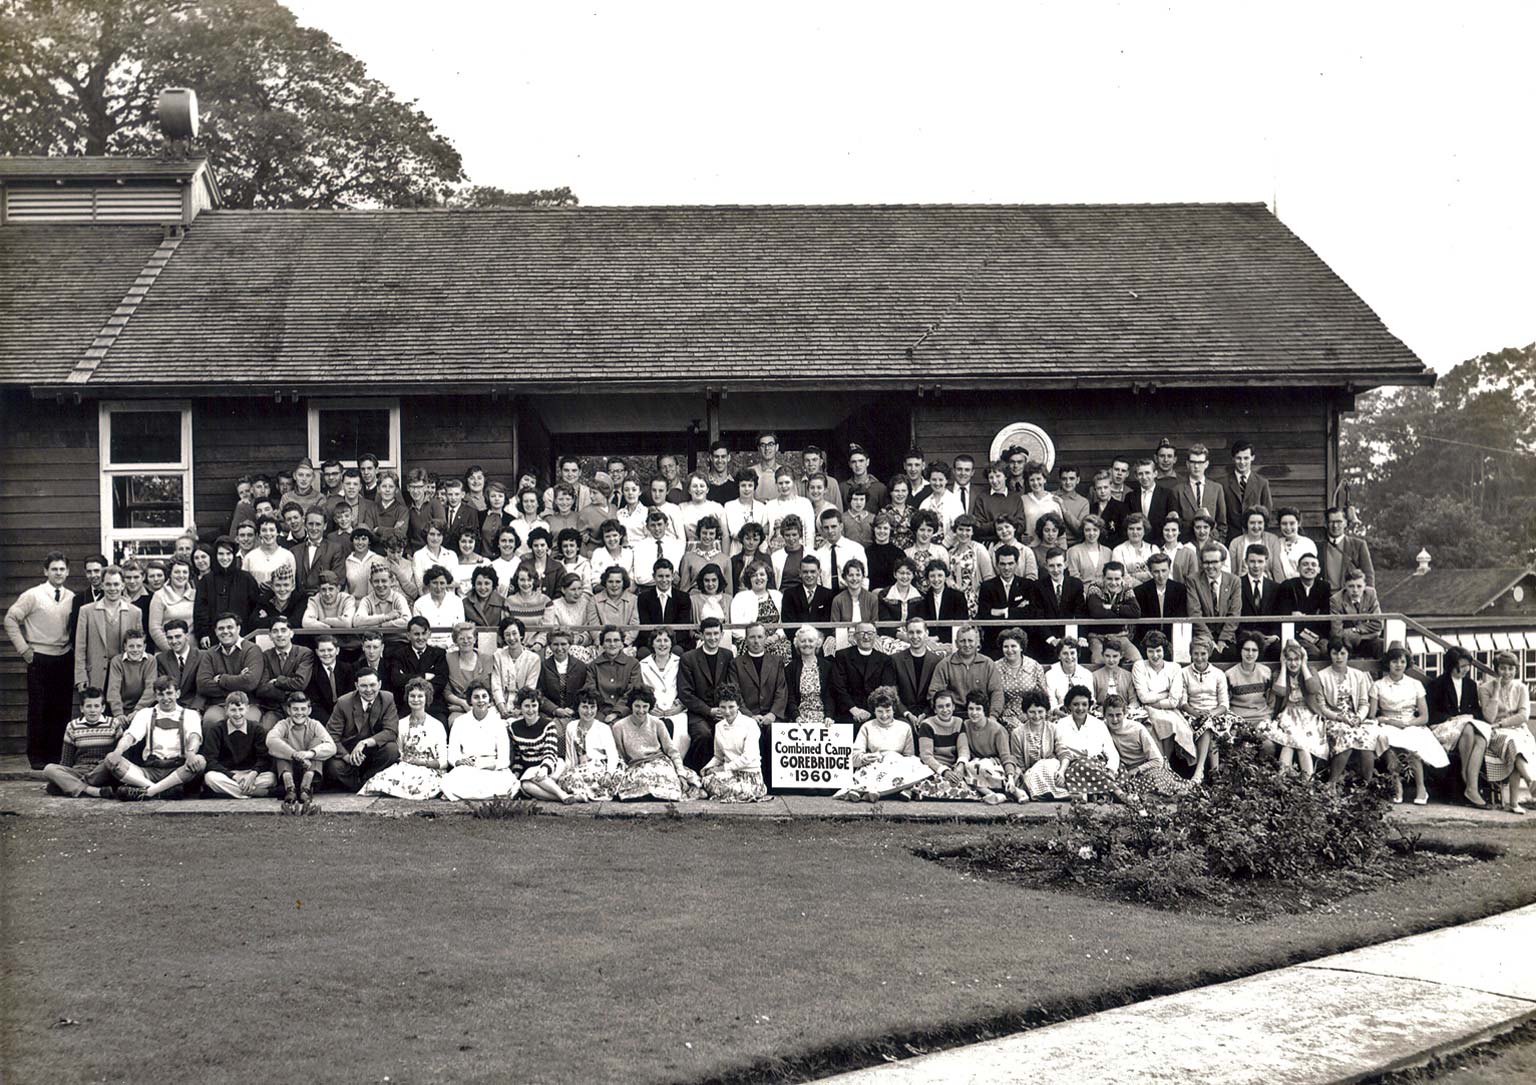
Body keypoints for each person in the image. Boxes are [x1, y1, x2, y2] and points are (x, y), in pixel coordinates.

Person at [6, 551, 76, 768]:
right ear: (46, 571)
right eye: (54, 569)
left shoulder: (72, 597)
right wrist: (24, 650)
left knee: (61, 708)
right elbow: (10, 619)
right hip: (39, 659)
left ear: (68, 572)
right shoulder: (33, 595)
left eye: (62, 569)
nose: (58, 573)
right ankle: (37, 758)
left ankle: (57, 756)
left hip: (64, 658)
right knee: (39, 709)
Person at [101, 675, 205, 801]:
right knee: (110, 760)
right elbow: (130, 736)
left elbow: (194, 736)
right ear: (155, 696)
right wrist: (118, 751)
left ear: (177, 694)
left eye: (169, 693)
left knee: (200, 761)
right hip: (149, 772)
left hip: (178, 770)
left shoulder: (190, 714)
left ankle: (149, 791)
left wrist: (191, 753)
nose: (165, 698)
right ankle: (160, 790)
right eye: (161, 694)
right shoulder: (145, 713)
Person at [1371, 646, 1445, 804]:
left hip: (1410, 722)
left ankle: (1421, 788)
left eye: (1402, 661)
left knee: (1413, 742)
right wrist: (1388, 721)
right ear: (1388, 663)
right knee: (1386, 740)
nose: (1398, 665)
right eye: (1394, 661)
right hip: (1388, 722)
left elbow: (1424, 717)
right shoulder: (1378, 685)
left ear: (1407, 664)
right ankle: (1397, 785)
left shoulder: (1415, 684)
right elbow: (1372, 715)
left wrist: (1408, 723)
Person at [1426, 647, 1493, 808]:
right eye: (1462, 666)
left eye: (1467, 666)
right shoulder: (1438, 684)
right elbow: (1431, 713)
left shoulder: (1470, 684)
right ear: (1450, 665)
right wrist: (1451, 718)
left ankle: (1472, 787)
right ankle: (1465, 774)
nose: (1466, 670)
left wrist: (1468, 716)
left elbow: (1475, 709)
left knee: (1481, 739)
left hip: (1464, 728)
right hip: (1442, 727)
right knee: (1469, 728)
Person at [837, 687, 928, 802]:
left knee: (915, 764)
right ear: (874, 711)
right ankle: (876, 792)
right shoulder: (867, 727)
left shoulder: (905, 727)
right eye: (880, 711)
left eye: (888, 711)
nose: (884, 715)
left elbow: (909, 757)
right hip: (874, 767)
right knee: (868, 771)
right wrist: (866, 757)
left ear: (894, 709)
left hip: (896, 769)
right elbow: (854, 758)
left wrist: (893, 759)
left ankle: (867, 793)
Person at [1316, 638, 1385, 789]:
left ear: (1348, 655)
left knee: (1367, 738)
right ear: (1330, 655)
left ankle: (1366, 786)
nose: (1339, 657)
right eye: (1335, 653)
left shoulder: (1358, 675)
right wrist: (1339, 717)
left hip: (1355, 717)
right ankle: (1332, 783)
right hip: (1333, 717)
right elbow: (1321, 706)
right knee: (1345, 736)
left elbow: (1364, 702)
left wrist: (1359, 717)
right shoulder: (1322, 676)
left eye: (1342, 653)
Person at [323, 667, 400, 792]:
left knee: (392, 750)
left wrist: (364, 742)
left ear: (379, 684)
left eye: (372, 685)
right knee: (333, 766)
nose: (369, 690)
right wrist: (347, 757)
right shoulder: (343, 702)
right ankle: (358, 785)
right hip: (349, 752)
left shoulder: (387, 698)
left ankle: (367, 780)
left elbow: (391, 731)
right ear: (356, 686)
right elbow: (331, 736)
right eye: (363, 686)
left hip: (374, 751)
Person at [438, 682, 518, 801]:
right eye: (476, 697)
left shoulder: (498, 723)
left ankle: (469, 794)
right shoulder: (460, 722)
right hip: (468, 767)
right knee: (452, 781)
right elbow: (453, 754)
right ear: (470, 700)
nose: (481, 700)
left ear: (490, 700)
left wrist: (492, 765)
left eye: (484, 696)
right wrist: (459, 762)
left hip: (492, 767)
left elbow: (504, 758)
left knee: (504, 784)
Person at [1102, 694, 1192, 798]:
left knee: (1156, 778)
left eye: (1118, 715)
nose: (1115, 720)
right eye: (1110, 715)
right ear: (1104, 715)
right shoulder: (1102, 728)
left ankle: (1176, 791)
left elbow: (1158, 760)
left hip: (1146, 767)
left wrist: (1138, 769)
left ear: (1125, 713)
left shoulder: (1137, 729)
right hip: (1124, 772)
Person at [40, 687, 122, 798]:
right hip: (79, 772)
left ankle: (73, 787)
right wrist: (59, 776)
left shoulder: (114, 724)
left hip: (102, 771)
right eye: (88, 706)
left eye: (96, 706)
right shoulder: (72, 726)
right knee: (49, 769)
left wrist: (62, 782)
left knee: (111, 761)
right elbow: (66, 761)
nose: (92, 710)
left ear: (103, 708)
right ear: (82, 708)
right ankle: (92, 790)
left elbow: (120, 756)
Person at [678, 617, 737, 771]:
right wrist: (709, 711)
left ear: (722, 634)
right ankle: (701, 773)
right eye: (708, 634)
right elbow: (685, 693)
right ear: (701, 635)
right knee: (704, 735)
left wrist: (724, 710)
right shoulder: (688, 658)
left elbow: (731, 687)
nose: (713, 638)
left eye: (716, 633)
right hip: (699, 712)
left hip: (723, 711)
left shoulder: (727, 655)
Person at [1480, 651, 1535, 814]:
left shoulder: (1521, 688)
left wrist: (1503, 722)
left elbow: (1523, 716)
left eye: (1511, 669)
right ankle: (1528, 784)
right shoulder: (1485, 688)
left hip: (1518, 730)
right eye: (1503, 668)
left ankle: (1515, 801)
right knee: (1513, 745)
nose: (1507, 673)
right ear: (1496, 669)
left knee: (1517, 747)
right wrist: (1496, 691)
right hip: (1496, 732)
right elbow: (1489, 718)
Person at [74, 566, 143, 693]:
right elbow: (80, 647)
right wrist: (80, 676)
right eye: (108, 584)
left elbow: (138, 648)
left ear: (123, 585)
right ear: (102, 586)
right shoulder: (87, 611)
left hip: (124, 674)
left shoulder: (135, 612)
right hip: (95, 674)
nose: (112, 588)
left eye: (116, 584)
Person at [1180, 637, 1238, 785]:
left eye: (1203, 654)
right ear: (1191, 654)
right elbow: (1183, 702)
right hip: (1192, 714)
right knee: (1207, 728)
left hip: (1217, 714)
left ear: (1209, 653)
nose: (1199, 658)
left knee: (1209, 725)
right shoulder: (1184, 673)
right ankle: (1212, 773)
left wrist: (1211, 713)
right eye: (1195, 654)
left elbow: (1224, 704)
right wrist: (1196, 713)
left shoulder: (1218, 674)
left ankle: (1202, 773)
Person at [199, 690, 277, 799]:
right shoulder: (216, 729)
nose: (237, 714)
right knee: (210, 777)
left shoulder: (257, 729)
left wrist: (253, 774)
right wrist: (233, 776)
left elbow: (264, 758)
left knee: (271, 778)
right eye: (233, 710)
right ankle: (253, 791)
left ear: (247, 709)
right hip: (228, 774)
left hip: (251, 774)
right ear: (226, 710)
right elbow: (210, 760)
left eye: (241, 709)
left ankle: (231, 792)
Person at [697, 683, 769, 802]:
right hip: (729, 774)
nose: (727, 712)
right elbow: (718, 756)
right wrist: (707, 768)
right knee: (706, 779)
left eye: (731, 707)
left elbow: (748, 757)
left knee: (714, 785)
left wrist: (723, 768)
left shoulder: (750, 724)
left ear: (738, 706)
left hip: (750, 776)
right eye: (723, 707)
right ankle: (728, 792)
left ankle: (741, 792)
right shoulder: (719, 726)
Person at [1131, 631, 1194, 766]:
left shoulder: (1174, 668)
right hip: (1147, 709)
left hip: (1169, 710)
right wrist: (1165, 694)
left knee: (1172, 722)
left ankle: (1166, 762)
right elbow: (1143, 697)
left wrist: (1158, 701)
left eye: (1158, 651)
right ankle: (1162, 763)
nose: (1155, 656)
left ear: (1164, 650)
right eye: (1150, 651)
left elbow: (1174, 701)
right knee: (1159, 722)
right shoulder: (1139, 666)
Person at [195, 613, 264, 727]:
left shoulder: (252, 650)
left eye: (230, 627)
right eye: (221, 628)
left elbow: (250, 683)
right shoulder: (210, 653)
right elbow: (203, 685)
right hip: (219, 704)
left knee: (249, 723)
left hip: (247, 704)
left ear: (238, 628)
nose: (225, 631)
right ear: (215, 631)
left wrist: (221, 679)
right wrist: (239, 679)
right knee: (211, 721)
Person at [193, 537, 261, 646]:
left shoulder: (246, 579)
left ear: (234, 555)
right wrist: (203, 633)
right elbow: (201, 610)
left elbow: (255, 607)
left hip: (242, 637)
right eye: (221, 554)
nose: (225, 558)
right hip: (213, 638)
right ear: (215, 555)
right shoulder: (207, 580)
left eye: (228, 554)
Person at [928, 625, 1003, 716]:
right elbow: (934, 693)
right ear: (956, 643)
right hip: (953, 715)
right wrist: (946, 715)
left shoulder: (988, 664)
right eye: (962, 641)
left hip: (981, 714)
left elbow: (997, 692)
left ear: (977, 643)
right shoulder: (944, 665)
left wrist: (993, 716)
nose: (967, 645)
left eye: (970, 641)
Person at [253, 616, 314, 727]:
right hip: (273, 708)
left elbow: (300, 683)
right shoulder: (265, 656)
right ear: (270, 636)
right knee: (264, 730)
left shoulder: (304, 653)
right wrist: (288, 693)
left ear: (291, 633)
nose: (280, 634)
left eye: (283, 630)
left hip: (298, 709)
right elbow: (262, 688)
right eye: (275, 631)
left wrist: (277, 681)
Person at [1188, 544, 1243, 661]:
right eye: (1206, 562)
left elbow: (1235, 613)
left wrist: (1223, 640)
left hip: (1227, 635)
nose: (1210, 566)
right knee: (1210, 655)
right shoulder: (1193, 580)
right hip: (1203, 634)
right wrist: (1210, 641)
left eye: (1215, 562)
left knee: (1231, 654)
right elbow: (1194, 613)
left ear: (1222, 562)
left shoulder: (1234, 581)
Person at [1085, 562, 1142, 665]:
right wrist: (1123, 612)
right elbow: (1096, 612)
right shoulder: (1095, 587)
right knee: (1099, 662)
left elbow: (1136, 612)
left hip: (1120, 636)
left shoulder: (1126, 588)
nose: (1113, 582)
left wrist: (1112, 607)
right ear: (1103, 577)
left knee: (1137, 660)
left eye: (1117, 579)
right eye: (1109, 579)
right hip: (1097, 636)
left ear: (1122, 578)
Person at [385, 616, 450, 705]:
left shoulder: (439, 654)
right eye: (416, 634)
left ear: (429, 634)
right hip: (407, 703)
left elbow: (441, 681)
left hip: (432, 704)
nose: (420, 638)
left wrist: (409, 678)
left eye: (424, 633)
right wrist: (424, 676)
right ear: (408, 635)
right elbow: (397, 680)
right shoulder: (399, 654)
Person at [1171, 443, 1227, 541]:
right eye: (1193, 462)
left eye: (1200, 462)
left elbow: (1222, 522)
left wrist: (1218, 542)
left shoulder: (1216, 489)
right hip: (1186, 543)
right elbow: (1175, 523)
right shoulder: (1178, 490)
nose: (1196, 466)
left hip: (1211, 544)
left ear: (1206, 464)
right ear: (1187, 464)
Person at [729, 561, 787, 657]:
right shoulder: (740, 597)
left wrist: (776, 636)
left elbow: (784, 622)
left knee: (782, 651)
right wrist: (754, 639)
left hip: (775, 640)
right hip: (749, 642)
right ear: (749, 579)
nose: (758, 578)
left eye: (762, 574)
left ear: (768, 577)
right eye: (754, 575)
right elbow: (736, 627)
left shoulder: (777, 596)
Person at [1133, 552, 1188, 652]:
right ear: (1150, 571)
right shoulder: (1140, 591)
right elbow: (1142, 625)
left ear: (1169, 569)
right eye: (1156, 571)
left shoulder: (1180, 589)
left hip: (1173, 639)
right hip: (1148, 641)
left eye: (1164, 571)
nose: (1161, 575)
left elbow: (1180, 618)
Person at [1237, 544, 1284, 659]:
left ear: (1266, 562)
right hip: (1245, 635)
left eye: (1260, 561)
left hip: (1269, 637)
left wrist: (1275, 635)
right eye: (1252, 561)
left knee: (1278, 650)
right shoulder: (1237, 584)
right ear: (1245, 562)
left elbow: (1279, 614)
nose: (1256, 566)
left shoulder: (1275, 587)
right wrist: (1248, 636)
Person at [1222, 439, 1274, 541]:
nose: (1242, 462)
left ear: (1252, 458)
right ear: (1233, 458)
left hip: (1255, 537)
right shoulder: (1222, 484)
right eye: (1238, 458)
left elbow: (1267, 514)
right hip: (1230, 538)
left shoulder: (1262, 483)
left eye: (1246, 458)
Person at [440, 620, 492, 721]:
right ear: (455, 641)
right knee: (455, 722)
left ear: (475, 639)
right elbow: (446, 691)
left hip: (483, 706)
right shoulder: (448, 659)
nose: (466, 641)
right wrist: (463, 704)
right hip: (458, 708)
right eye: (461, 638)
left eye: (469, 638)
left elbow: (490, 688)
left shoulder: (486, 659)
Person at [786, 624, 835, 724]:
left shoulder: (827, 666)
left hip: (824, 718)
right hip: (799, 718)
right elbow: (789, 696)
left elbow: (830, 695)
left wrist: (829, 716)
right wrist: (796, 717)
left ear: (817, 643)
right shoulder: (790, 668)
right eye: (803, 641)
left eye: (811, 641)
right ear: (797, 644)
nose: (807, 644)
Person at [1330, 569, 1384, 658]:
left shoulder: (1370, 593)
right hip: (1346, 642)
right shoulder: (1336, 600)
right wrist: (1368, 631)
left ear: (1365, 586)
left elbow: (1378, 624)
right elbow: (1337, 632)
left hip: (1366, 639)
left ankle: (1383, 672)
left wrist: (1356, 630)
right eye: (1351, 586)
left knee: (1381, 645)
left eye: (1359, 586)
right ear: (1345, 586)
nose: (1355, 590)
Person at [537, 628, 589, 718]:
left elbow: (585, 691)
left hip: (575, 713)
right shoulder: (543, 667)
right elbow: (539, 693)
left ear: (570, 645)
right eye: (555, 644)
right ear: (549, 646)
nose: (559, 648)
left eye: (563, 644)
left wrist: (574, 709)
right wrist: (555, 709)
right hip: (549, 714)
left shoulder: (580, 666)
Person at [1225, 632, 1273, 725]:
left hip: (1262, 718)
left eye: (1254, 650)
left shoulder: (1265, 672)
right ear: (1240, 651)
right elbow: (1226, 702)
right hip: (1237, 720)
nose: (1250, 653)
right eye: (1247, 649)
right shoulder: (1230, 674)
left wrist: (1268, 718)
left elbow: (1270, 700)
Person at [305, 634, 352, 726]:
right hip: (324, 718)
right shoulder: (312, 672)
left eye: (330, 650)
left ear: (337, 651)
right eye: (322, 650)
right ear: (317, 652)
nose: (326, 654)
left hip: (345, 713)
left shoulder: (348, 669)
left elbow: (350, 695)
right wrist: (330, 722)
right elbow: (314, 703)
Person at [1322, 505, 1375, 588]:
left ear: (1345, 523)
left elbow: (1368, 574)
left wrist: (1367, 597)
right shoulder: (1319, 547)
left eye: (1339, 522)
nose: (1335, 526)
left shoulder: (1358, 545)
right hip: (1325, 598)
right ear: (1326, 524)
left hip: (1349, 597)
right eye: (1331, 522)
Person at [413, 565, 466, 648]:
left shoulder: (457, 601)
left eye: (442, 583)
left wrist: (446, 645)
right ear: (429, 583)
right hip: (426, 647)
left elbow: (459, 629)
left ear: (447, 584)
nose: (438, 587)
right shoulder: (419, 603)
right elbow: (417, 630)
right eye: (434, 583)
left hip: (452, 646)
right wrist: (430, 645)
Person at [918, 560, 968, 644]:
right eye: (932, 576)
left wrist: (938, 638)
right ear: (928, 578)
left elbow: (960, 623)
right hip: (928, 642)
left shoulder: (958, 597)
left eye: (940, 575)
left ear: (946, 576)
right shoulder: (923, 599)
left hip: (951, 642)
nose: (936, 579)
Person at [1227, 508, 1284, 579]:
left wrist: (1281, 588)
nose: (1256, 526)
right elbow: (1232, 571)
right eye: (1252, 523)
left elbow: (1276, 567)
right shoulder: (1235, 543)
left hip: (1266, 583)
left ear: (1264, 524)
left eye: (1260, 523)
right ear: (1246, 524)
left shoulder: (1272, 540)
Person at [1066, 516, 1113, 590]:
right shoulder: (1074, 551)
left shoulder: (1108, 552)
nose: (1091, 533)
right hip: (1083, 593)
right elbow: (1074, 578)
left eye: (1095, 530)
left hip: (1105, 592)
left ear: (1100, 531)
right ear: (1083, 531)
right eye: (1087, 530)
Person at [1087, 471, 1130, 547]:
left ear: (1111, 487)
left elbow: (1124, 534)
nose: (1102, 491)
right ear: (1095, 490)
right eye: (1099, 488)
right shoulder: (1092, 508)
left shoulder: (1121, 507)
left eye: (1105, 487)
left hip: (1114, 547)